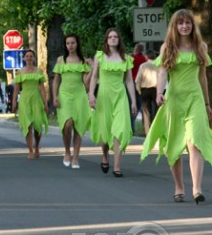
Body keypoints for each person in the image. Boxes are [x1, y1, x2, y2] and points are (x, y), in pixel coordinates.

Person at [140, 9, 212, 204]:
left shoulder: (201, 47)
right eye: (180, 23)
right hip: (173, 99)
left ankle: (197, 189)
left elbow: (203, 77)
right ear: (175, 26)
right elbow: (163, 73)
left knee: (194, 141)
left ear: (192, 25)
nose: (184, 26)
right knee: (174, 144)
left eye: (187, 23)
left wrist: (207, 103)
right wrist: (159, 93)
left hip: (195, 99)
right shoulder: (168, 47)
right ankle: (179, 186)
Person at [88, 28, 137, 178]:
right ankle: (105, 155)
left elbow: (129, 80)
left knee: (119, 130)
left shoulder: (126, 58)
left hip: (120, 96)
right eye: (110, 37)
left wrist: (133, 101)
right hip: (104, 96)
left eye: (116, 36)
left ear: (119, 40)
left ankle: (117, 167)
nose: (113, 39)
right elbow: (95, 76)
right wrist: (91, 94)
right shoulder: (100, 56)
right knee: (105, 134)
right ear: (106, 40)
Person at [52, 34, 92, 169]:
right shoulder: (61, 60)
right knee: (67, 124)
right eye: (68, 43)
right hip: (64, 94)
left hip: (79, 95)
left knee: (78, 126)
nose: (70, 45)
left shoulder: (82, 61)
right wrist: (55, 96)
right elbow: (56, 80)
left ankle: (76, 157)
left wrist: (91, 69)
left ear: (77, 44)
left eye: (73, 43)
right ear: (65, 45)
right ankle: (67, 151)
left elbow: (86, 85)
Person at [12, 49, 49, 159]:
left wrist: (45, 103)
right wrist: (14, 102)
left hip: (36, 100)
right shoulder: (20, 72)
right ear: (24, 58)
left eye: (31, 56)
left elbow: (42, 89)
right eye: (27, 56)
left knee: (37, 126)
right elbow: (16, 89)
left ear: (33, 58)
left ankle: (37, 146)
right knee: (27, 125)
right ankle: (30, 150)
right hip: (25, 100)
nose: (29, 58)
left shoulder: (39, 72)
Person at [135, 49, 160, 135]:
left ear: (146, 57)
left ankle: (148, 132)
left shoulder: (143, 66)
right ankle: (157, 131)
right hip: (157, 89)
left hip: (145, 89)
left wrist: (139, 90)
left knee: (146, 112)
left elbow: (138, 79)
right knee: (158, 111)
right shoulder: (159, 65)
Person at [130, 43, 147, 133]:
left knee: (131, 106)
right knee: (140, 105)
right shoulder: (144, 59)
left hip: (131, 83)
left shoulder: (131, 58)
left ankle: (131, 128)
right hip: (141, 84)